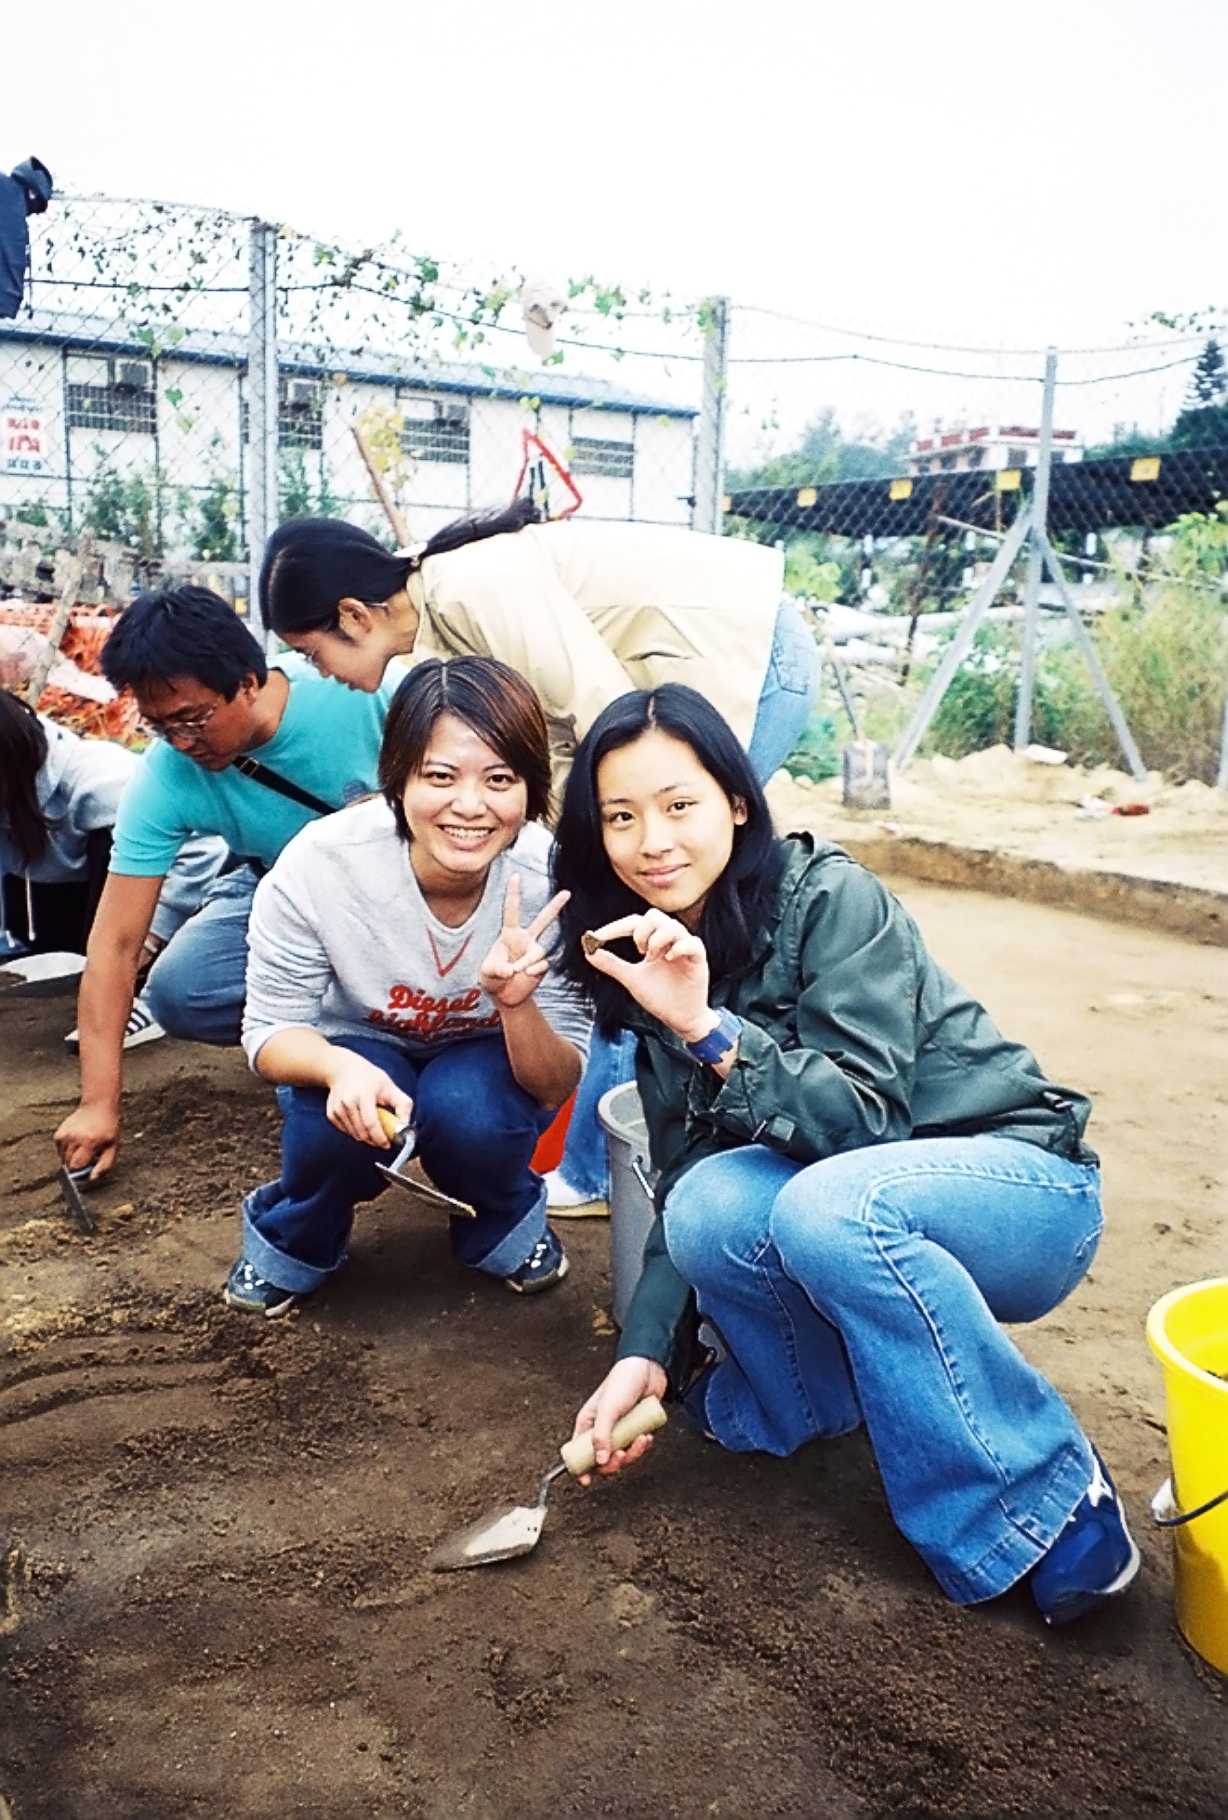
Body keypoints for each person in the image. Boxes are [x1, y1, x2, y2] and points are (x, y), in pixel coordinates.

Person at [551, 683, 1141, 1628]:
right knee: (708, 1205)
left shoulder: (830, 899)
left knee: (826, 1207)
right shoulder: (651, 952)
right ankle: (805, 1400)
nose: (651, 841)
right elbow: (684, 1183)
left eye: (678, 804)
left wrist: (709, 1029)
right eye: (621, 817)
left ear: (736, 802)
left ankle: (1047, 1495)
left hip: (1021, 1191)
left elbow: (866, 1121)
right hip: (858, 1208)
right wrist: (645, 1356)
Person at [260, 506, 819, 1207]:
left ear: (353, 615)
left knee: (640, 910)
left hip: (755, 655)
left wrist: (581, 852)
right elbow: (554, 747)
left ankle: (606, 1165)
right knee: (627, 907)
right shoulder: (438, 633)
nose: (320, 672)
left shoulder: (469, 588)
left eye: (313, 652)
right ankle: (631, 1145)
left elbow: (611, 718)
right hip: (714, 660)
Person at [225, 655, 589, 1317]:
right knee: (334, 1127)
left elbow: (555, 1082)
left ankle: (502, 1221)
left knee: (473, 1112)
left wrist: (517, 1007)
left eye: (500, 779)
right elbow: (269, 1032)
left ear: (531, 788)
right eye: (440, 776)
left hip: (484, 1055)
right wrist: (336, 1068)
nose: (469, 806)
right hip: (355, 1043)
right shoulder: (321, 865)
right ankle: (295, 1239)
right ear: (397, 777)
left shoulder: (555, 884)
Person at [53, 586, 393, 1182]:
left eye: (193, 719)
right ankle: (318, 1039)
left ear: (248, 682)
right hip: (278, 889)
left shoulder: (357, 691)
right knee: (180, 991)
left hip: (403, 888)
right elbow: (115, 945)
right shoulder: (167, 776)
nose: (183, 743)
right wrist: (97, 1105)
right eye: (162, 727)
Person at [0, 688, 225, 1048]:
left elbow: (202, 848)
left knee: (119, 843)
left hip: (184, 884)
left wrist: (146, 940)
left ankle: (141, 994)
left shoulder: (102, 780)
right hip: (66, 891)